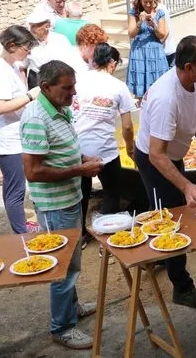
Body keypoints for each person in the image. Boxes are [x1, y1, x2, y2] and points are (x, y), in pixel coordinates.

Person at [133, 36, 196, 309]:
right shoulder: (166, 98)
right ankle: (181, 287)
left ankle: (159, 254)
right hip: (154, 160)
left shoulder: (195, 81)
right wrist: (185, 186)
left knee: (166, 212)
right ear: (188, 66)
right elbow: (156, 154)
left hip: (170, 156)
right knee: (172, 220)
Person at [20, 60, 104, 349]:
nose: (73, 93)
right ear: (46, 87)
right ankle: (62, 327)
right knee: (63, 267)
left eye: (74, 86)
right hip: (55, 204)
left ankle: (72, 307)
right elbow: (33, 171)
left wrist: (82, 160)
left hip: (69, 198)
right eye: (67, 88)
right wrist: (78, 171)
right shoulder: (35, 117)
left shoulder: (59, 108)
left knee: (72, 262)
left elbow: (62, 151)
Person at [74, 44, 144, 242]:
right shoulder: (118, 87)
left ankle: (80, 236)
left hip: (78, 149)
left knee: (82, 193)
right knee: (112, 192)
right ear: (112, 63)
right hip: (106, 150)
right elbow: (128, 127)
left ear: (93, 60)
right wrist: (130, 149)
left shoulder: (78, 81)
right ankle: (108, 239)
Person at [0, 26, 39, 235]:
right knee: (16, 190)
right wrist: (31, 96)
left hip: (16, 135)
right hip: (8, 139)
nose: (28, 51)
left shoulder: (12, 66)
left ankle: (21, 224)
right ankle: (20, 231)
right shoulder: (1, 70)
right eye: (26, 47)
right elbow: (0, 106)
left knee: (14, 186)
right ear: (11, 46)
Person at [127, 0, 169, 98]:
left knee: (158, 89)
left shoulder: (160, 13)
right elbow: (131, 33)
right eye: (145, 2)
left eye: (150, 1)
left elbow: (162, 34)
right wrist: (139, 23)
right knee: (141, 91)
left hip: (155, 52)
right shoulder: (134, 13)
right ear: (140, 0)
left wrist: (154, 25)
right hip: (139, 53)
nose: (148, 4)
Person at [24, 12, 74, 88]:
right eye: (31, 26)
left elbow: (69, 62)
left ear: (47, 26)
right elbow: (23, 66)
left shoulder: (60, 40)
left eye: (34, 26)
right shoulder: (28, 43)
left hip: (57, 79)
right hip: (36, 81)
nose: (31, 30)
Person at [153, 0, 178, 68]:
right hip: (168, 49)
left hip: (165, 50)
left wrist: (157, 46)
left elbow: (166, 31)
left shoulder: (159, 9)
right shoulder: (161, 7)